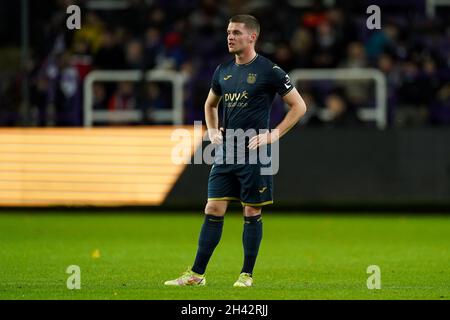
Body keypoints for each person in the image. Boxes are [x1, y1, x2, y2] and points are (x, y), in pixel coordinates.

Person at [164, 14, 307, 287]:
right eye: (228, 32)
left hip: (255, 153)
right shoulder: (223, 71)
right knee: (213, 207)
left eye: (237, 32)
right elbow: (210, 105)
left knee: (251, 211)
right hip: (226, 152)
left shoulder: (269, 71)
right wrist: (213, 130)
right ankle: (196, 274)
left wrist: (273, 135)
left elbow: (299, 106)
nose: (230, 36)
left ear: (252, 36)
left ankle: (246, 274)